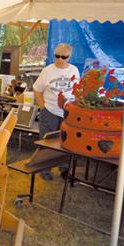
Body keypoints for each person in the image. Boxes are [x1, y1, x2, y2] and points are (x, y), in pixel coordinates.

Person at [33, 43, 80, 180]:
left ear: (69, 56)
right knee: (46, 142)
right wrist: (43, 107)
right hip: (50, 112)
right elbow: (37, 89)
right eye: (57, 56)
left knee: (66, 142)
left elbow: (77, 89)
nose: (59, 59)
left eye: (63, 57)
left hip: (68, 113)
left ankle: (64, 169)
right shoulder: (47, 71)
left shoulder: (74, 70)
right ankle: (45, 170)